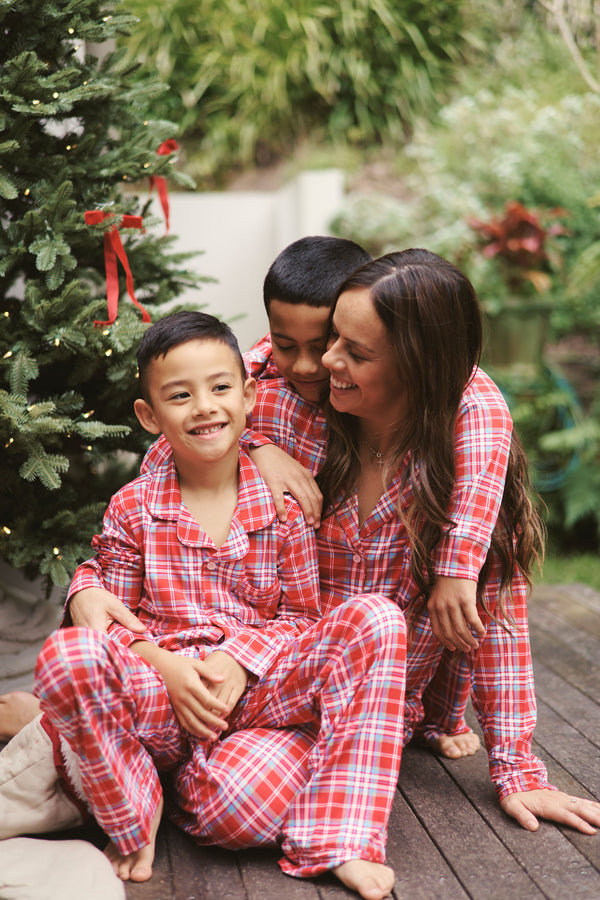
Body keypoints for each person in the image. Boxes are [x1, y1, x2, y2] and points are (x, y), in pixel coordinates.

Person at [0, 311, 407, 900]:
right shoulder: (134, 507)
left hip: (254, 699)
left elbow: (299, 618)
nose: (205, 407)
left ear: (247, 396)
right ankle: (133, 810)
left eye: (220, 388)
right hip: (156, 698)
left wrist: (241, 661)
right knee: (70, 656)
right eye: (180, 396)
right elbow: (108, 619)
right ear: (149, 416)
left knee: (376, 619)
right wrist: (166, 669)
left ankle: (335, 834)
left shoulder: (284, 508)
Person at [195, 248, 600, 838]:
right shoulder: (286, 411)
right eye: (335, 335)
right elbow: (186, 433)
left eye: (354, 352)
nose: (324, 361)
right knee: (215, 780)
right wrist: (253, 443)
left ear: (418, 367)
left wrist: (518, 769)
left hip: (371, 712)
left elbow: (495, 619)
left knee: (241, 807)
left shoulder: (460, 460)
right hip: (264, 676)